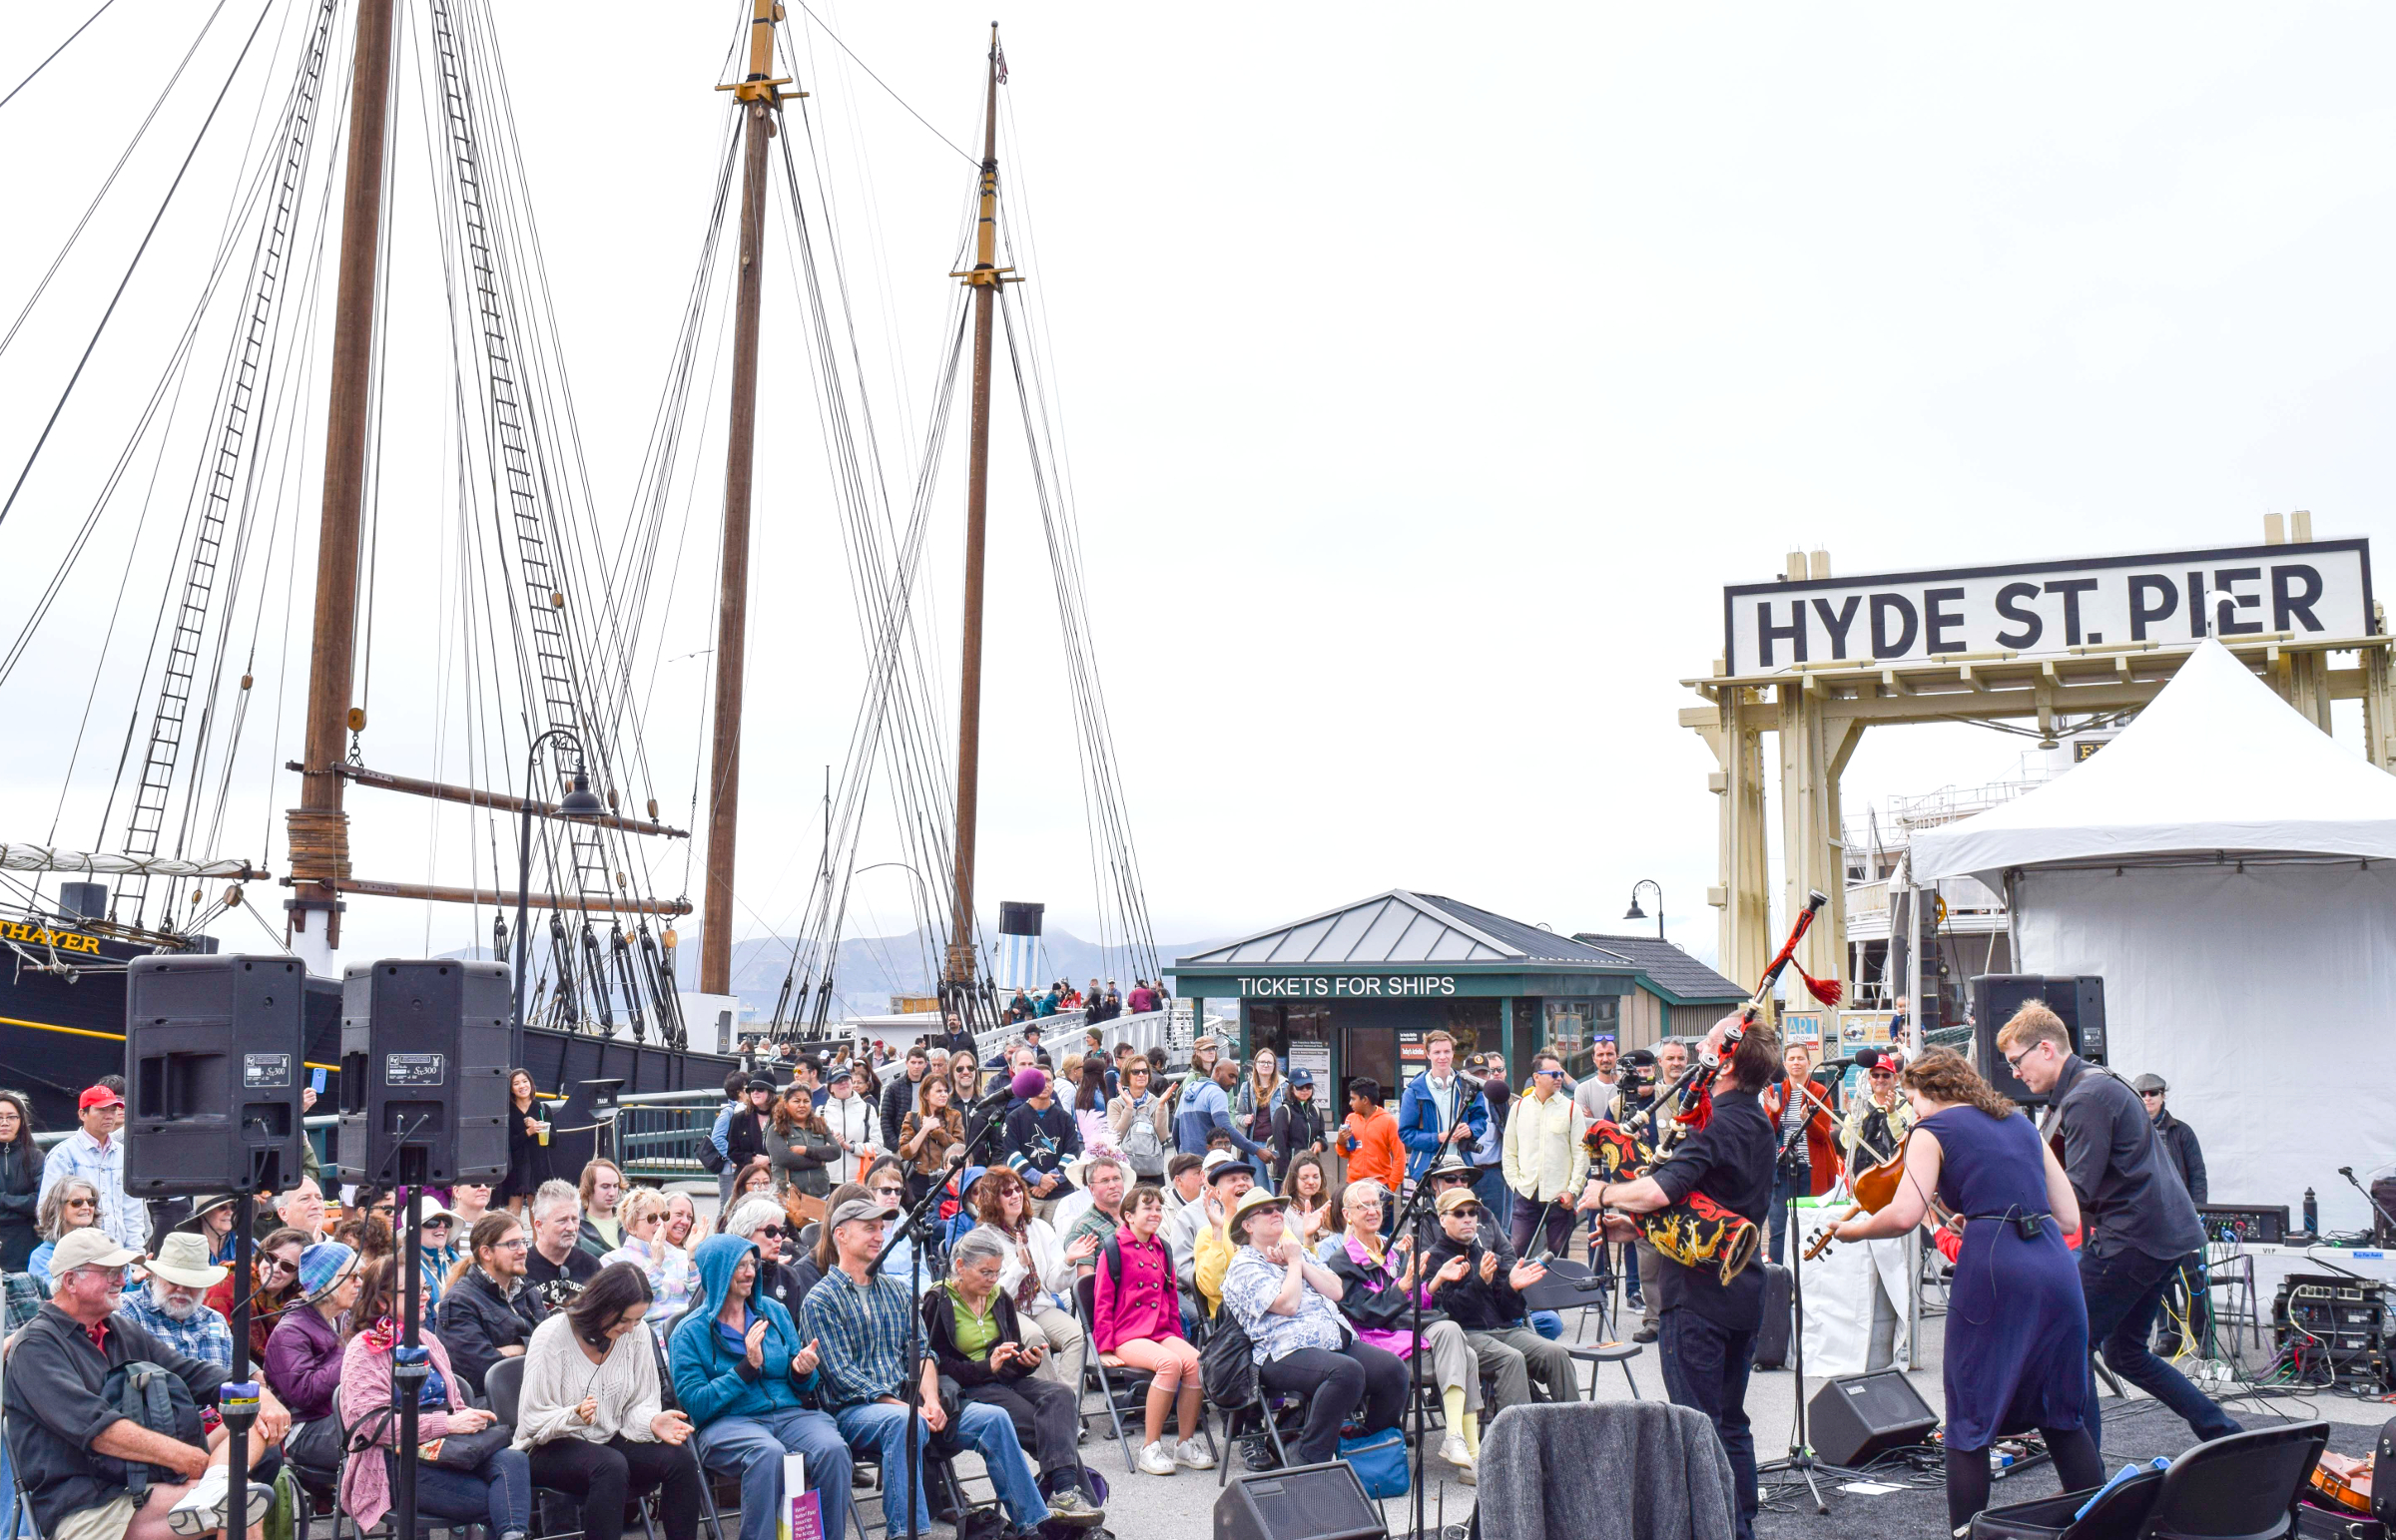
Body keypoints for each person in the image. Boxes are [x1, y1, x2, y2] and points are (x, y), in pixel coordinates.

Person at [1826, 1047, 2101, 1532]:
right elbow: (2068, 1217)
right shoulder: (2019, 1123)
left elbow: (1905, 1215)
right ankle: (2103, 1524)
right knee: (2062, 1411)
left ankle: (1967, 1531)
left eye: (1912, 1100)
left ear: (1930, 1092)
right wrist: (1984, 1209)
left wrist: (1852, 1230)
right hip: (2055, 1270)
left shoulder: (1930, 1132)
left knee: (1970, 1419)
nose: (1912, 1111)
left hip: (1996, 1270)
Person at [1999, 1003, 2239, 1456]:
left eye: (2017, 1061)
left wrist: (2002, 1208)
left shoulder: (2086, 1097)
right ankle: (2224, 1435)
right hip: (2162, 1234)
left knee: (2070, 1344)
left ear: (2045, 1048)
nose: (2014, 1073)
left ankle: (2087, 1481)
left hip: (2135, 1236)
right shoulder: (2097, 1081)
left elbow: (2078, 1191)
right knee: (2125, 1354)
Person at [1582, 1015, 1778, 1540]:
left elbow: (1658, 1192)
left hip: (1698, 1299)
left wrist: (1601, 1195)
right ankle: (1741, 1528)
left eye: (1709, 1041)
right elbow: (1703, 1211)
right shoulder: (1755, 1119)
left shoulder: (1713, 1122)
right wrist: (1637, 1230)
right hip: (1743, 1286)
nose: (1698, 1047)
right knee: (1730, 1420)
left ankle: (1719, 1530)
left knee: (1697, 1426)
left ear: (1729, 1060)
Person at [5, 1229, 291, 1540]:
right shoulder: (36, 1345)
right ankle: (217, 1485)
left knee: (252, 1417)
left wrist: (260, 1393)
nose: (121, 1280)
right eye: (110, 1272)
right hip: (90, 1503)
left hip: (145, 1481)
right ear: (71, 1281)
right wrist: (187, 1458)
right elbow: (99, 1431)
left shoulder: (118, 1328)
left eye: (121, 1271)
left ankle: (218, 1481)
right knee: (238, 1504)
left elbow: (193, 1373)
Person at [801, 1198, 1052, 1537]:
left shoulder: (896, 1291)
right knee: (904, 1424)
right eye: (869, 1229)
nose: (879, 1236)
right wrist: (908, 1409)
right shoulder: (821, 1298)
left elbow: (924, 1354)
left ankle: (1032, 1525)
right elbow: (843, 1378)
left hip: (913, 1405)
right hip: (856, 1412)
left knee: (994, 1418)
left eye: (881, 1228)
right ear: (841, 1235)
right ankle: (908, 1533)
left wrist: (931, 1401)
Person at [670, 1232, 854, 1540]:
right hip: (728, 1424)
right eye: (739, 1266)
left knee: (833, 1449)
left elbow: (802, 1383)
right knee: (768, 1453)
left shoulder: (774, 1313)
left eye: (752, 1264)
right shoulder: (689, 1332)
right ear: (717, 1271)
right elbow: (696, 1404)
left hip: (790, 1416)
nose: (751, 1273)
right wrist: (745, 1368)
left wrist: (801, 1370)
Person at [336, 1255, 531, 1540]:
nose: (425, 1297)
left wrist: (469, 1419)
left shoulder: (429, 1340)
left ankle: (513, 1536)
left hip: (449, 1449)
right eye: (413, 1291)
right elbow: (370, 1426)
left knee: (513, 1461)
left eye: (425, 1288)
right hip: (395, 1459)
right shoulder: (364, 1349)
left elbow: (455, 1401)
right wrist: (448, 1424)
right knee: (498, 1499)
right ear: (381, 1301)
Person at [513, 1262, 705, 1540]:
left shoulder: (637, 1334)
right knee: (610, 1466)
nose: (630, 1328)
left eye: (638, 1320)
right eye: (624, 1320)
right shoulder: (552, 1334)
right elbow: (531, 1419)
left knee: (681, 1461)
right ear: (601, 1306)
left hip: (608, 1437)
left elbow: (637, 1405)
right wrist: (573, 1415)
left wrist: (652, 1421)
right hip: (547, 1445)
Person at [926, 1229, 1109, 1521]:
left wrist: (1026, 1361)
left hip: (1003, 1380)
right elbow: (936, 1363)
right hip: (966, 1387)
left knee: (1061, 1393)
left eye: (997, 1272)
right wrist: (987, 1367)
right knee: (1048, 1426)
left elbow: (1011, 1353)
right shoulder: (939, 1300)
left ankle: (1064, 1497)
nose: (993, 1279)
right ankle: (1072, 1501)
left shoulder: (998, 1297)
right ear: (960, 1266)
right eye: (985, 1272)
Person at [1218, 1188, 1407, 1467]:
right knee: (1345, 1373)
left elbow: (1336, 1290)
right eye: (1267, 1211)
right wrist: (1295, 1263)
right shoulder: (1244, 1265)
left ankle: (1368, 1450)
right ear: (1248, 1225)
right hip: (1282, 1352)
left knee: (1392, 1371)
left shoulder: (1297, 1253)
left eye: (1278, 1209)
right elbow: (1287, 1304)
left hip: (1333, 1342)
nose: (1276, 1214)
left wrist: (1299, 1262)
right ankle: (1307, 1457)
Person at [1324, 1180, 1486, 1481]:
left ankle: (1464, 1451)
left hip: (1407, 1332)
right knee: (1460, 1346)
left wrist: (1434, 1282)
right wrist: (1404, 1285)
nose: (1373, 1211)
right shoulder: (1342, 1260)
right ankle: (1467, 1453)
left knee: (1465, 1351)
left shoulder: (1388, 1250)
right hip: (1378, 1345)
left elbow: (1409, 1303)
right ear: (1348, 1214)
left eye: (1376, 1204)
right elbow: (1367, 1313)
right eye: (1364, 1206)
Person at [1088, 1183, 1209, 1476]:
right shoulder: (1114, 1248)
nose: (1155, 1213)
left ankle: (1184, 1443)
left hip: (1159, 1331)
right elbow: (1102, 1301)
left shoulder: (1161, 1247)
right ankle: (1150, 1448)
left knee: (1195, 1362)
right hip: (1126, 1335)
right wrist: (1103, 1348)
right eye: (1147, 1208)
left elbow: (1169, 1298)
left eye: (1158, 1208)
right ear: (1129, 1215)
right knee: (1169, 1365)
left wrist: (1177, 1338)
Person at [1421, 1184, 1577, 1406]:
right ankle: (1518, 1439)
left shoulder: (1486, 1255)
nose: (1468, 1219)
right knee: (1511, 1359)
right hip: (1464, 1336)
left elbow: (1508, 1312)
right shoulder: (1433, 1259)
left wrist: (1512, 1289)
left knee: (1556, 1353)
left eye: (1472, 1213)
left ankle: (1574, 1432)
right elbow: (1448, 1314)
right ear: (1442, 1220)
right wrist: (1480, 1282)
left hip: (1503, 1330)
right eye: (1459, 1213)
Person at [974, 1164, 1087, 1389]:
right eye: (1007, 1192)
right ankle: (1049, 1401)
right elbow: (993, 1293)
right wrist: (1020, 1266)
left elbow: (1053, 1284)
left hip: (1040, 1305)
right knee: (1035, 1338)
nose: (1016, 1195)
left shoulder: (1039, 1228)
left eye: (1018, 1189)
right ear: (992, 1200)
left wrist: (1068, 1261)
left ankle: (1069, 1403)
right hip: (1007, 1312)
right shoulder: (984, 1238)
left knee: (1077, 1335)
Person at [2136, 1073, 2213, 1355]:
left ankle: (2201, 1336)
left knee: (2193, 1281)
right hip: (2149, 1219)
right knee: (2157, 1282)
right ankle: (2169, 1337)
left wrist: (2198, 1213)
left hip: (2184, 1218)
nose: (2148, 1099)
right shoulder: (2132, 1131)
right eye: (2142, 1094)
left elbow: (2198, 1176)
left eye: (2153, 1093)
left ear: (2163, 1095)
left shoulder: (2182, 1131)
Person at [437, 1211, 549, 1397]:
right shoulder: (460, 1302)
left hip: (539, 1399)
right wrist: (535, 1350)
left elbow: (556, 1349)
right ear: (486, 1252)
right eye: (513, 1244)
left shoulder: (530, 1293)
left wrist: (519, 1347)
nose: (523, 1250)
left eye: (523, 1242)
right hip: (493, 1411)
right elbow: (485, 1372)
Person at [263, 1241, 361, 1428]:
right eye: (353, 1276)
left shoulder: (344, 1318)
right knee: (378, 1434)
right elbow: (303, 1393)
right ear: (326, 1283)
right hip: (304, 1428)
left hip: (341, 1415)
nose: (360, 1283)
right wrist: (354, 1354)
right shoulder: (290, 1331)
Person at [39, 1084, 146, 1254]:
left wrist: (135, 1254)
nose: (110, 1116)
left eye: (113, 1110)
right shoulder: (63, 1155)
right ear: (82, 1114)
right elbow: (47, 1210)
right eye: (102, 1110)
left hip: (120, 1253)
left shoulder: (123, 1154)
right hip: (80, 1255)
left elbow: (132, 1211)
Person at [1502, 1051, 1588, 1260]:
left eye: (1560, 1073)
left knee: (1557, 1257)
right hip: (1526, 1192)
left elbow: (1581, 1154)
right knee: (1517, 1253)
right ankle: (1518, 1292)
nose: (1559, 1078)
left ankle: (1554, 1292)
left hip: (1559, 1197)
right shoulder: (1519, 1108)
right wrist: (1516, 1184)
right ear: (1536, 1077)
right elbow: (1509, 1151)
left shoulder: (1571, 1109)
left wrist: (1572, 1190)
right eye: (1553, 1074)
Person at [1761, 1041, 1838, 1266]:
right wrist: (1774, 1114)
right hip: (1781, 1169)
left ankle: (1808, 1273)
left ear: (1808, 1062)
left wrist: (1808, 1121)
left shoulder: (1820, 1092)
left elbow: (1823, 1136)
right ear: (1784, 1064)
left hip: (1810, 1169)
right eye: (1792, 1059)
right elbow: (1767, 1134)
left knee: (1810, 1224)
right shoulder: (1774, 1091)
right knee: (1778, 1226)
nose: (1796, 1062)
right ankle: (1778, 1277)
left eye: (1800, 1058)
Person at [117, 1232, 235, 1372]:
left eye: (192, 1283)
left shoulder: (215, 1320)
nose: (181, 1289)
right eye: (173, 1280)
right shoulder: (127, 1311)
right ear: (154, 1276)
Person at [598, 1188, 697, 1338]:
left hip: (689, 1335)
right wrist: (656, 1264)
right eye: (651, 1218)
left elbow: (700, 1300)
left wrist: (693, 1259)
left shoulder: (681, 1256)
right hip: (647, 1340)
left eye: (664, 1216)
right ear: (631, 1226)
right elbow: (630, 1304)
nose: (659, 1223)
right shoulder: (613, 1261)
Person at [1398, 1031, 1488, 1185]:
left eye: (1447, 1051)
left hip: (1461, 1167)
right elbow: (1406, 1134)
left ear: (1453, 1053)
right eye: (1437, 1052)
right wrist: (1437, 1138)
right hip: (1428, 1171)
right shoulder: (1414, 1091)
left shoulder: (1468, 1086)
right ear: (1428, 1054)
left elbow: (1480, 1119)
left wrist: (1471, 1130)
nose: (1442, 1057)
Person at [1001, 1068, 1081, 1220]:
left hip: (1060, 1196)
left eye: (1049, 1080)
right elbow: (1011, 1154)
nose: (1045, 1084)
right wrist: (1038, 1179)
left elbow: (1072, 1153)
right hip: (1026, 1195)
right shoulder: (1014, 1118)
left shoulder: (1065, 1118)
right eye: (1040, 1080)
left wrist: (1050, 1181)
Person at [1191, 1155, 1256, 1317]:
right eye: (1232, 1180)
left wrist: (1308, 1238)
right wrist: (1218, 1232)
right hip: (1232, 1322)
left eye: (1246, 1178)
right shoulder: (1208, 1234)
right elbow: (1210, 1287)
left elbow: (1305, 1267)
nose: (1241, 1183)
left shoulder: (1272, 1222)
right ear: (1218, 1193)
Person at [525, 1179, 601, 1309]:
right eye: (562, 1220)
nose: (571, 1228)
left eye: (574, 1219)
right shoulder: (520, 1266)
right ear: (539, 1225)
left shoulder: (592, 1266)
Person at [721, 1199, 805, 1315]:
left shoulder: (789, 1277)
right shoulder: (723, 1275)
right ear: (746, 1232)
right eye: (771, 1231)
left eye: (782, 1232)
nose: (779, 1238)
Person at [1178, 1058, 1270, 1165]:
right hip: (1209, 1163)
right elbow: (1225, 1127)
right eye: (1231, 1076)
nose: (1234, 1082)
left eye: (1236, 1078)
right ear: (1217, 1072)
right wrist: (1257, 1150)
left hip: (1186, 1162)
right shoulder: (1217, 1092)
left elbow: (1176, 1131)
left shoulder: (1188, 1091)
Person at [1841, 1051, 1916, 1178]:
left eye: (1886, 1075)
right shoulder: (1860, 1107)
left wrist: (1892, 1113)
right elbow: (1848, 1143)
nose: (1880, 1080)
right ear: (1869, 1079)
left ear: (1895, 1078)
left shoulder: (1908, 1105)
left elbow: (1905, 1140)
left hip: (1900, 1175)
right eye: (1875, 1075)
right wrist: (1853, 1117)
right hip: (1866, 1177)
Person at [709, 1077, 776, 1213]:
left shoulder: (782, 1118)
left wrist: (769, 1159)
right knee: (733, 1213)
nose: (755, 1092)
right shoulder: (740, 1118)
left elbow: (788, 1149)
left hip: (774, 1179)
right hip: (746, 1179)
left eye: (760, 1089)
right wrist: (751, 1158)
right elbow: (732, 1151)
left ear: (771, 1092)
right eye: (751, 1090)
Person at [898, 1075, 966, 1206]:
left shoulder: (954, 1116)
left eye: (946, 1091)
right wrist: (925, 1129)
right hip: (918, 1181)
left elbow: (959, 1148)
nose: (944, 1095)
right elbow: (906, 1152)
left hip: (946, 1180)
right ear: (926, 1095)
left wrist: (937, 1132)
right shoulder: (912, 1117)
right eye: (938, 1091)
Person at [765, 1084, 839, 1201]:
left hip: (821, 1194)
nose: (802, 1105)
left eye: (806, 1101)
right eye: (796, 1101)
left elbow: (836, 1151)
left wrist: (805, 1150)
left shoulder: (820, 1125)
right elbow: (785, 1159)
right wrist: (819, 1162)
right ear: (785, 1104)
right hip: (788, 1196)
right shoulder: (776, 1129)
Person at [1337, 1078, 1405, 1203]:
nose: (1350, 1103)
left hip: (1379, 1186)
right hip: (1353, 1184)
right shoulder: (1350, 1119)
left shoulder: (1388, 1121)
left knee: (1378, 1221)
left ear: (1365, 1100)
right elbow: (1345, 1153)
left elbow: (1400, 1156)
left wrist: (1391, 1187)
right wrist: (1340, 1141)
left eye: (1353, 1098)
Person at [26, 1176, 100, 1287]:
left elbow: (124, 1286)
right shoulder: (42, 1257)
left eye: (91, 1202)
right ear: (58, 1208)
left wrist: (135, 1281)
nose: (86, 1207)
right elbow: (54, 1296)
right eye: (77, 1202)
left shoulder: (103, 1246)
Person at [0, 1090, 43, 1272]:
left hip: (26, 1251)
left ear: (21, 1121)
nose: (4, 1123)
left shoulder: (35, 1157)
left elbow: (40, 1202)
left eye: (11, 1117)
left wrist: (3, 1199)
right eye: (0, 1117)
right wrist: (21, 1207)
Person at [1062, 1155, 1131, 1265]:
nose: (1112, 1185)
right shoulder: (1083, 1228)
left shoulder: (1136, 1216)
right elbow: (1085, 1279)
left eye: (1116, 1178)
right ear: (1091, 1188)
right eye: (1105, 1181)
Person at [817, 1064, 880, 1186]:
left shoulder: (867, 1109)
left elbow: (878, 1146)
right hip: (828, 1180)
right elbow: (813, 1147)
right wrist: (830, 1145)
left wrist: (851, 1147)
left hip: (860, 1180)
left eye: (845, 1079)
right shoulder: (821, 1112)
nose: (843, 1083)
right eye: (838, 1081)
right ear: (830, 1088)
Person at [502, 1068, 553, 1215]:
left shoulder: (542, 1108)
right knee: (512, 1214)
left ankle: (537, 1239)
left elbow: (554, 1141)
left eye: (525, 1081)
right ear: (511, 1088)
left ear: (531, 1084)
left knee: (537, 1214)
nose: (522, 1086)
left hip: (538, 1166)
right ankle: (512, 1238)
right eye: (516, 1083)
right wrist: (528, 1132)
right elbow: (510, 1143)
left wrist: (540, 1127)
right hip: (515, 1167)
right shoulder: (507, 1111)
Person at [1235, 1050, 1287, 1167]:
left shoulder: (1284, 1087)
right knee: (1258, 1185)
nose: (1265, 1065)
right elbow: (1238, 1113)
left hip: (1276, 1144)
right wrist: (1244, 1119)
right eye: (1262, 1062)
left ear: (1274, 1066)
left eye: (1269, 1062)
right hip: (1254, 1146)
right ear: (1255, 1065)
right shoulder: (1246, 1087)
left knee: (1276, 1184)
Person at [1281, 1153, 1335, 1250]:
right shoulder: (1285, 1211)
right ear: (1294, 1180)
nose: (1311, 1182)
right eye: (1304, 1177)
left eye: (1315, 1176)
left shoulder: (1327, 1206)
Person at [1071, 1053, 1118, 1160]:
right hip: (1096, 1145)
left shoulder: (1080, 1092)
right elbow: (1103, 1123)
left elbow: (1075, 1119)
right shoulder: (1098, 1096)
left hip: (1080, 1141)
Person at [577, 1160, 629, 1257]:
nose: (612, 1193)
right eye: (605, 1187)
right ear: (588, 1188)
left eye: (615, 1186)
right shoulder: (575, 1226)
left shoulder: (629, 1220)